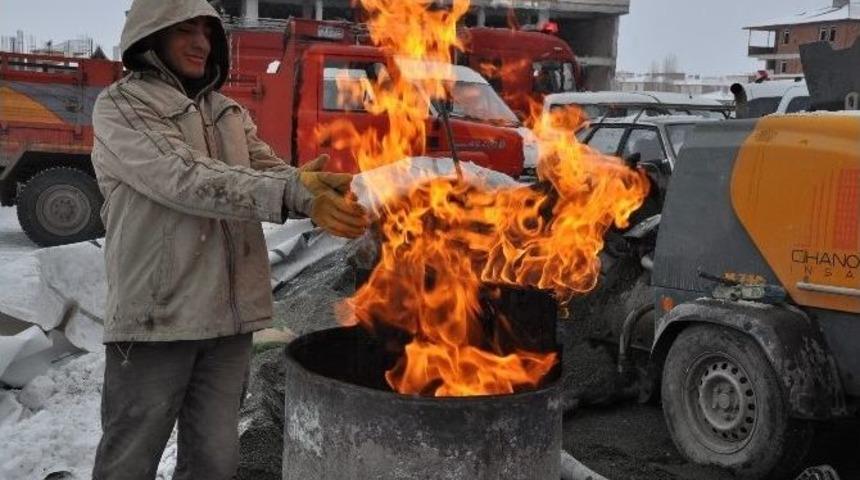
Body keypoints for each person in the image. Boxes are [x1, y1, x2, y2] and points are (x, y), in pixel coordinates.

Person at [90, 0, 370, 478]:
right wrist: (289, 190)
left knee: (215, 464)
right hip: (159, 320)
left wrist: (316, 189)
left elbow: (266, 170)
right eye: (185, 30)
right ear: (150, 36)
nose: (201, 42)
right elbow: (183, 177)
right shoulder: (122, 107)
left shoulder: (226, 112)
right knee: (129, 460)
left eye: (207, 30)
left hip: (228, 324)